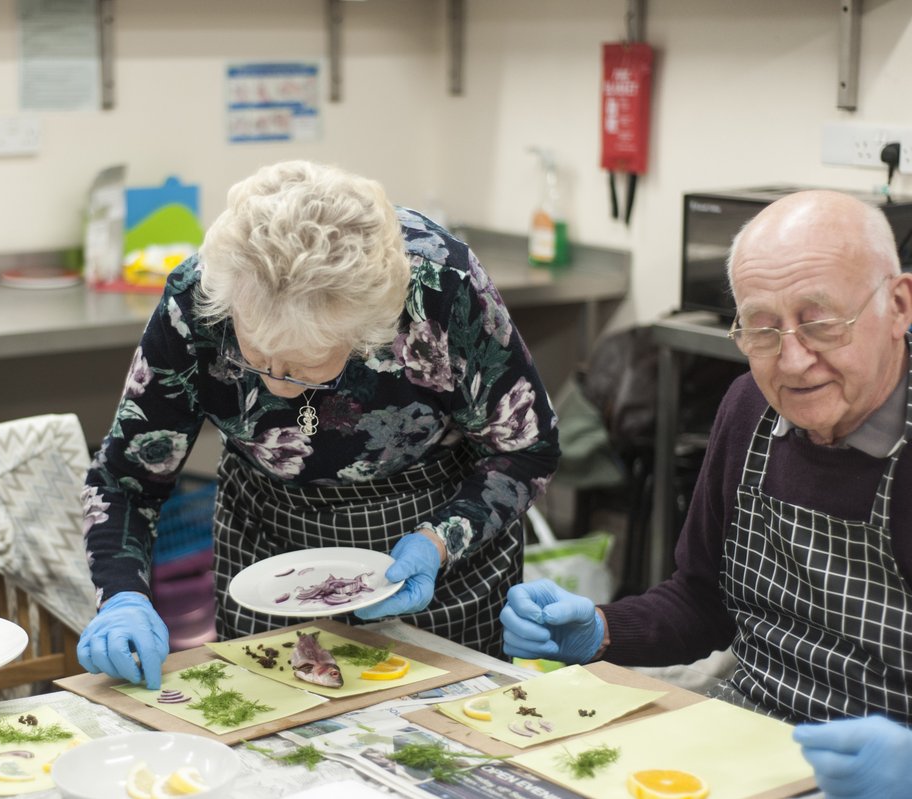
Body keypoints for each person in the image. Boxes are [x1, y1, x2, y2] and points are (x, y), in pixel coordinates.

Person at [79, 160, 560, 688]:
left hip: (436, 553)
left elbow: (528, 448)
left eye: (302, 367)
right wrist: (123, 596)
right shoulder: (200, 297)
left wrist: (440, 541)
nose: (278, 385)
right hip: (266, 542)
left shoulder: (441, 288)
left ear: (368, 331)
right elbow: (124, 481)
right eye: (256, 358)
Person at [500, 189, 912, 799]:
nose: (793, 361)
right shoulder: (748, 408)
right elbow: (703, 602)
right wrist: (599, 630)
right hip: (741, 739)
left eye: (820, 322)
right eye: (762, 329)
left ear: (899, 305)